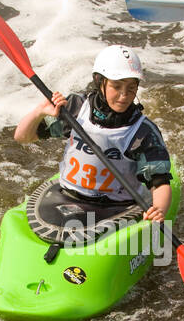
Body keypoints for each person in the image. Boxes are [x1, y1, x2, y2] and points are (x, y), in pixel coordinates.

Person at [14, 45, 172, 223]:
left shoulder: (143, 132)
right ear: (99, 81)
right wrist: (39, 112)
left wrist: (158, 210)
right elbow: (22, 137)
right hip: (66, 196)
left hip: (118, 206)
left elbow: (159, 183)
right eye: (116, 86)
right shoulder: (75, 109)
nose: (124, 95)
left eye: (131, 87)